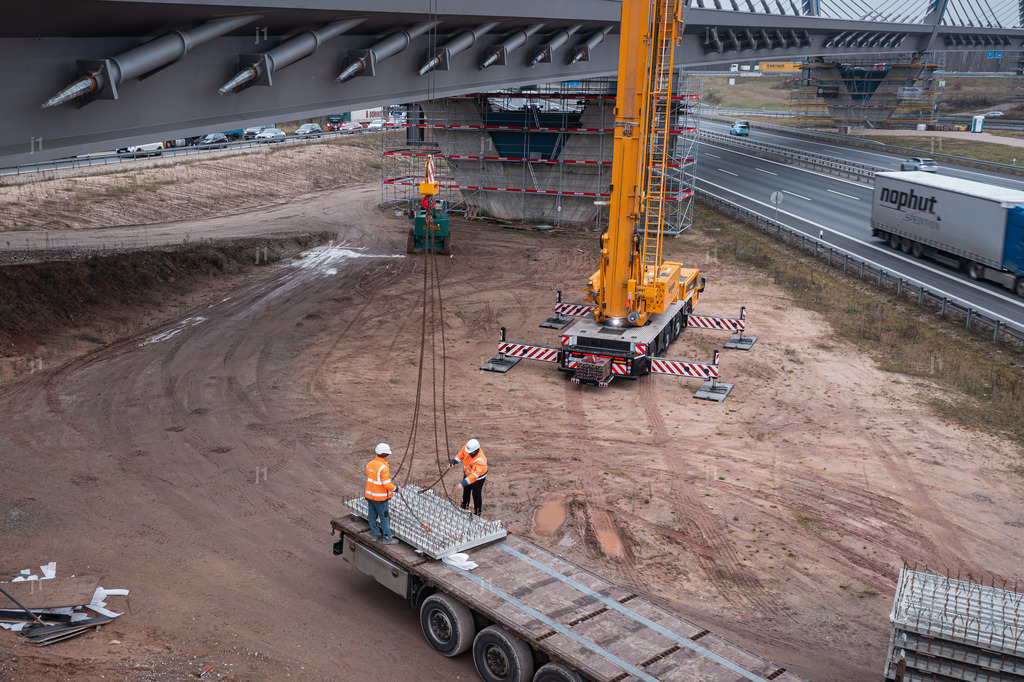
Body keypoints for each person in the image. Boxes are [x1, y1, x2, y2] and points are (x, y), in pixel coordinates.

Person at [365, 442, 401, 544]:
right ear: (386, 454)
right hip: (380, 499)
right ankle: (387, 538)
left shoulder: (370, 464)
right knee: (384, 518)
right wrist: (397, 489)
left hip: (370, 496)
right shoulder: (383, 467)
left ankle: (374, 535)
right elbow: (387, 484)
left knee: (372, 516)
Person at [449, 438, 488, 516]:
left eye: (471, 452)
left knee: (476, 495)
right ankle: (464, 507)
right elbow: (461, 454)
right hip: (467, 475)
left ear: (476, 450)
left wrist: (463, 483)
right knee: (466, 491)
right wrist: (453, 462)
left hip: (478, 479)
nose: (469, 453)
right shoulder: (468, 447)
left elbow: (474, 476)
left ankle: (477, 513)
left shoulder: (480, 460)